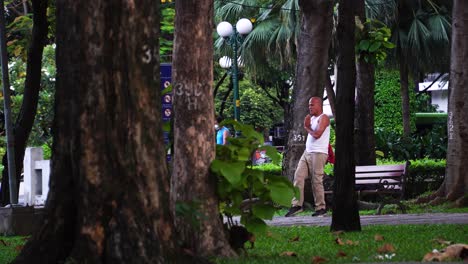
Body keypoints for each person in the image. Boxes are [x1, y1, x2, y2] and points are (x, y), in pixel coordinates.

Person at [285, 97, 330, 217]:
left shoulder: (323, 118)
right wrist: (308, 126)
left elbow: (317, 134)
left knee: (316, 180)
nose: (309, 107)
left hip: (319, 153)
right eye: (309, 105)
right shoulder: (312, 118)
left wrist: (307, 128)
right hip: (308, 152)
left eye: (312, 105)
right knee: (298, 176)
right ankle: (297, 205)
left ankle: (321, 207)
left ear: (319, 105)